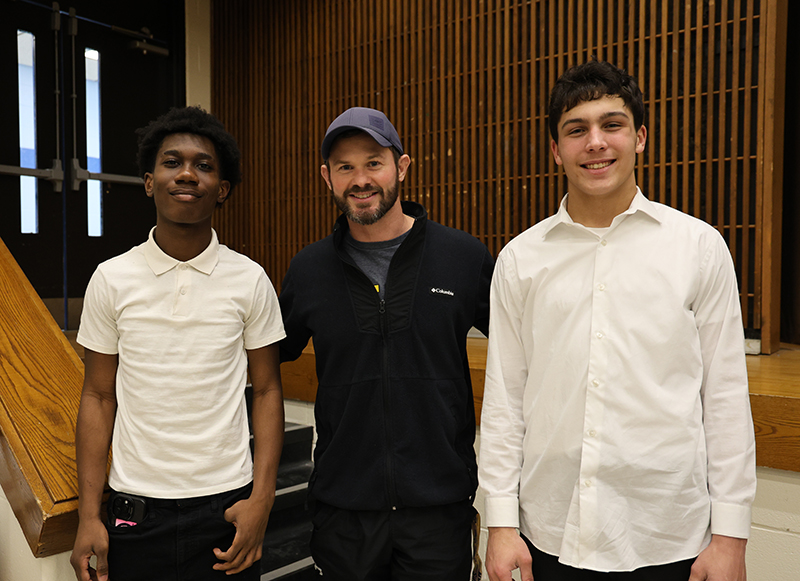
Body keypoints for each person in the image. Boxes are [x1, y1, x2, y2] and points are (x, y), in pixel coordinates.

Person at [479, 60, 756, 581]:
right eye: (576, 129)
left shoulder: (698, 247)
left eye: (612, 125)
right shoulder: (520, 259)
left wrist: (730, 537)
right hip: (551, 531)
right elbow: (505, 402)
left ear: (640, 137)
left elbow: (724, 398)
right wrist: (500, 523)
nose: (596, 143)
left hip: (668, 535)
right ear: (555, 149)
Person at [69, 106, 286, 581]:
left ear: (222, 189)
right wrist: (88, 515)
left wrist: (262, 500)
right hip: (135, 510)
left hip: (227, 509)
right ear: (150, 182)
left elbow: (268, 390)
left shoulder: (250, 279)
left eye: (203, 165)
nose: (187, 173)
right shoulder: (111, 278)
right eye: (172, 162)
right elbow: (98, 395)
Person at [279, 106, 494, 579]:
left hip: (438, 509)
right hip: (344, 511)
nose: (361, 179)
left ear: (402, 166)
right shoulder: (309, 270)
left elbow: (522, 348)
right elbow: (269, 354)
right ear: (327, 177)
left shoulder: (463, 256)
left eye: (374, 162)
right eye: (345, 167)